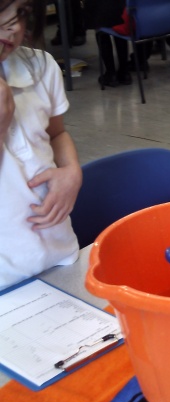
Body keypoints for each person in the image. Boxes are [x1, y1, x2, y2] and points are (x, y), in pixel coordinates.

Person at [0, 0, 81, 291]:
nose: (15, 27)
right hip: (6, 276)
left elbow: (56, 134)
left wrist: (71, 171)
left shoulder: (40, 66)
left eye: (21, 14)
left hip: (58, 255)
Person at [83, 0, 131, 87]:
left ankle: (111, 74)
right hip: (121, 7)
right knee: (119, 29)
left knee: (101, 30)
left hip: (99, 7)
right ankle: (124, 73)